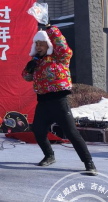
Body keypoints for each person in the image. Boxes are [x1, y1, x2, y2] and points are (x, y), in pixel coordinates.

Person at [22, 25, 98, 175]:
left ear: (49, 45)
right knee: (38, 131)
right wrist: (28, 69)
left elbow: (62, 46)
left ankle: (89, 162)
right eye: (36, 44)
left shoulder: (59, 57)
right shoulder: (36, 61)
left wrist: (51, 29)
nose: (38, 47)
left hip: (59, 101)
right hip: (43, 103)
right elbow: (27, 77)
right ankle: (49, 155)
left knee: (72, 133)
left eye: (41, 44)